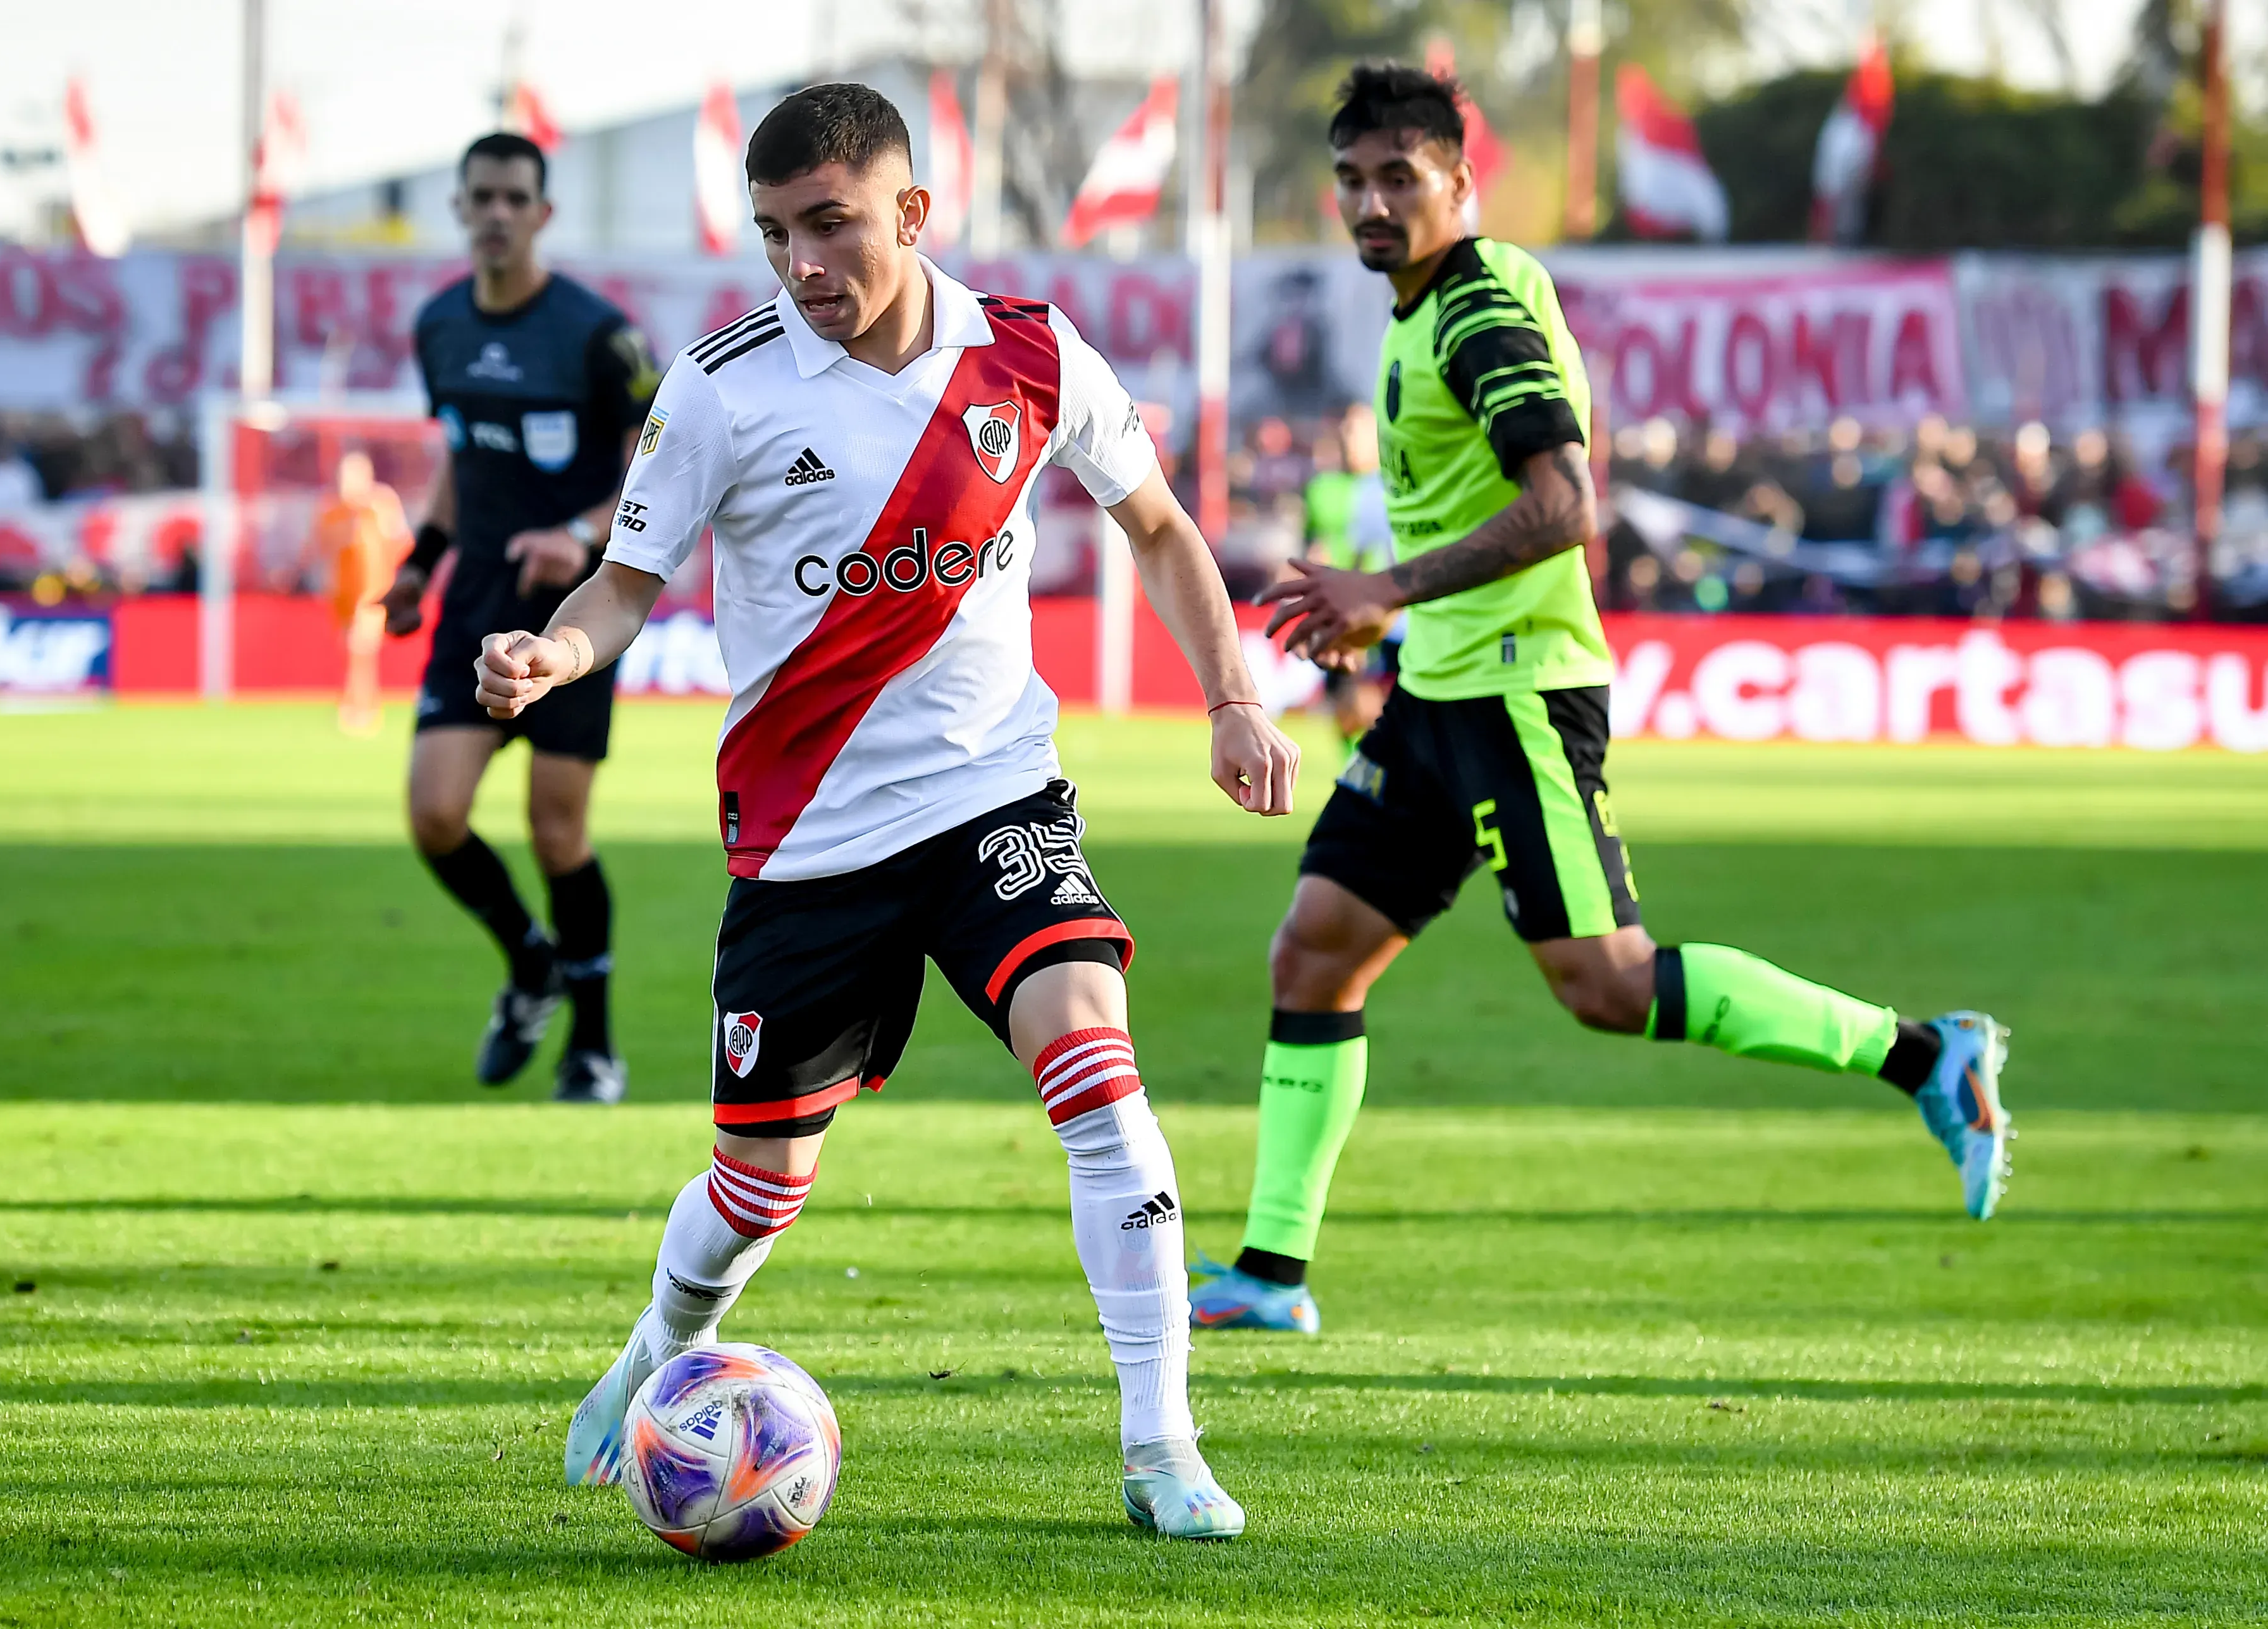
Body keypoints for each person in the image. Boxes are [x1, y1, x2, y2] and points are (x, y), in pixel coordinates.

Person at [471, 85, 1298, 1538]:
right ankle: (655, 1350)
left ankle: (1164, 1449)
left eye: (833, 226)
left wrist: (1231, 698)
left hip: (995, 802)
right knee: (756, 1185)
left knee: (1098, 1077)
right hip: (805, 845)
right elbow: (624, 580)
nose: (802, 264)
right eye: (777, 233)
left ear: (911, 215)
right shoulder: (720, 386)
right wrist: (557, 647)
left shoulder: (1032, 360)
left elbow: (1157, 525)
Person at [1187, 65, 2014, 1337]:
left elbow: (1566, 506)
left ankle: (1923, 1053)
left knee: (1607, 984)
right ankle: (1268, 1273)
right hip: (1438, 695)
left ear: (1459, 183)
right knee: (1313, 952)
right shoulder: (1415, 312)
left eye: (1398, 177)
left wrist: (1386, 587)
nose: (1369, 202)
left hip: (1519, 692)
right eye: (1350, 179)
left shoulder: (1474, 311)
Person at [380, 132, 661, 1103]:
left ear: (542, 214)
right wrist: (420, 562)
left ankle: (593, 1047)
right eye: (481, 197)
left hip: (578, 612)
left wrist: (581, 533)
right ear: (459, 209)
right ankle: (530, 964)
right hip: (474, 606)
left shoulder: (600, 336)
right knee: (434, 814)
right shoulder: (439, 328)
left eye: (515, 198)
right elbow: (463, 454)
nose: (497, 213)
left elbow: (655, 469)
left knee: (555, 833)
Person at [1300, 400, 1400, 743]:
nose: (1350, 439)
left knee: (1371, 707)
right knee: (1348, 710)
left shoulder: (1391, 487)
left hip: (1393, 620)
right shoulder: (1325, 489)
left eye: (1358, 431)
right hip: (1352, 614)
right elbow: (1327, 550)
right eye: (1346, 431)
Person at [311, 450, 409, 736]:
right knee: (353, 650)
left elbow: (401, 543)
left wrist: (396, 581)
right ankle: (359, 703)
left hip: (372, 592)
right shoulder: (331, 508)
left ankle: (360, 709)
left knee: (360, 649)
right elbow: (321, 547)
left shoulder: (381, 505)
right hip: (342, 592)